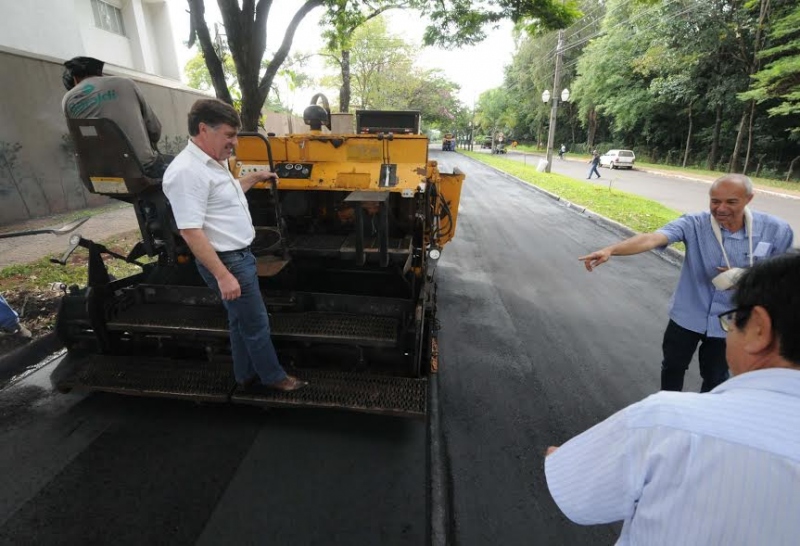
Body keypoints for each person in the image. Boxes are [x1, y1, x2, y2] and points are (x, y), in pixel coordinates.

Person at [545, 252, 800, 545]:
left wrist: (565, 459)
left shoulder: (666, 421)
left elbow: (579, 495)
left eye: (732, 320)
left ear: (758, 328)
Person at [579, 174, 793, 392]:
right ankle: (669, 408)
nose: (721, 208)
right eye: (715, 201)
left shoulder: (776, 231)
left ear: (749, 199)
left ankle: (704, 417)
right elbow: (652, 238)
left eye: (731, 202)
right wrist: (611, 250)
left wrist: (746, 280)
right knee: (672, 366)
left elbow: (781, 278)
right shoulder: (694, 224)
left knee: (716, 376)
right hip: (687, 316)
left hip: (731, 324)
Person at [162, 99, 306, 392]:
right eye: (229, 135)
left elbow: (225, 195)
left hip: (240, 257)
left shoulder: (213, 163)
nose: (235, 142)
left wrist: (254, 177)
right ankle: (275, 377)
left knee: (240, 321)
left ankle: (244, 375)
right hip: (228, 262)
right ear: (204, 129)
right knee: (256, 323)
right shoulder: (187, 171)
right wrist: (223, 275)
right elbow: (190, 231)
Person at [61, 56, 172, 178]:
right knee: (181, 166)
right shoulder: (125, 83)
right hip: (142, 169)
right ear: (99, 73)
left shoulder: (67, 99)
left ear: (74, 78)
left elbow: (78, 140)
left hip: (100, 175)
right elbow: (154, 129)